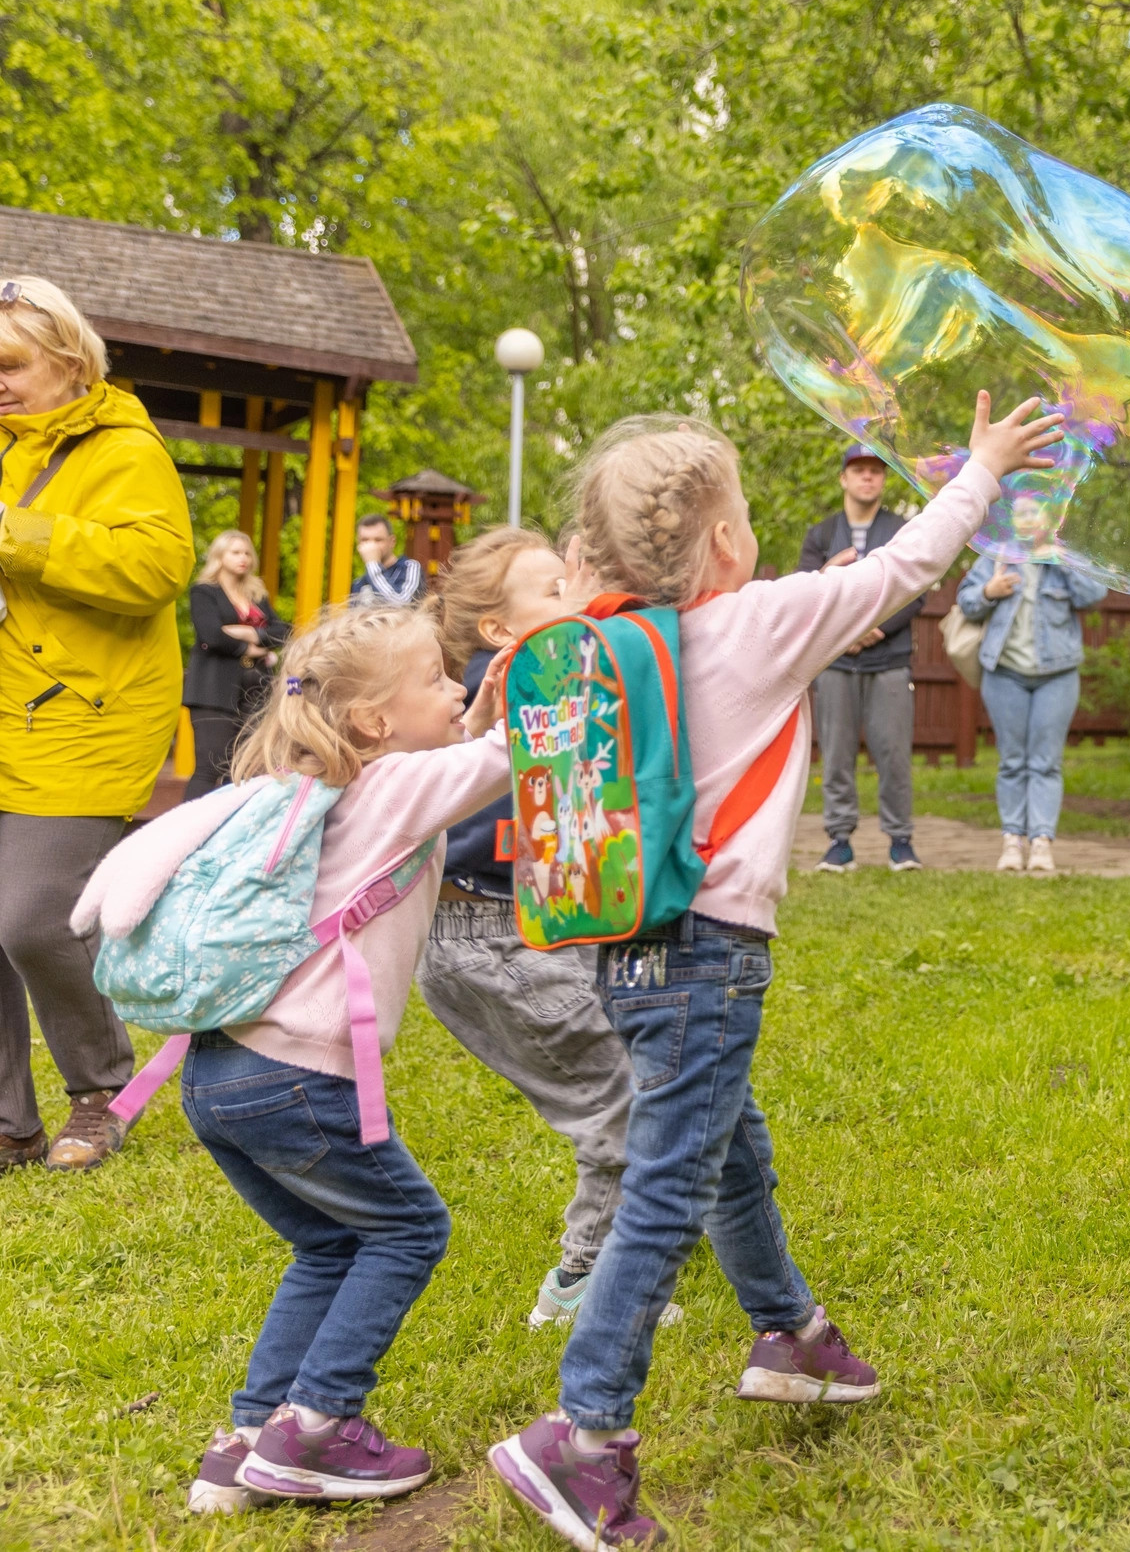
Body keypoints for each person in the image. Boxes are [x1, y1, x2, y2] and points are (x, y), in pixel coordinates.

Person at [487, 391, 1061, 1550]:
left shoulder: (602, 638)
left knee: (725, 1145)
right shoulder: (757, 621)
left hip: (627, 949)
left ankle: (790, 1337)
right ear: (724, 541)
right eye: (745, 513)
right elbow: (904, 565)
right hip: (710, 955)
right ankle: (582, 1434)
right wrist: (984, 467)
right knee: (668, 1187)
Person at [77, 604, 511, 1513]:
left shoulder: (306, 789)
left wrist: (467, 720)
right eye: (435, 678)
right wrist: (558, 693)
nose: (457, 687)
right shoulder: (392, 789)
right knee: (408, 1231)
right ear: (374, 722)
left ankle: (248, 1442)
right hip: (298, 1081)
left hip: (218, 1076)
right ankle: (317, 1426)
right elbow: (504, 761)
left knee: (328, 1244)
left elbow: (458, 757)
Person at [413, 526, 677, 1331]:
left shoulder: (557, 680)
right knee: (619, 1096)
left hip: (533, 927)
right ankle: (585, 1279)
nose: (577, 598)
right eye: (555, 590)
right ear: (500, 629)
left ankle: (641, 1229)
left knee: (644, 1072)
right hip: (484, 938)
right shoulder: (502, 691)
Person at [0, 274, 192, 1172]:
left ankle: (99, 1091)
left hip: (87, 716)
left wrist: (13, 533)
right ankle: (10, 1124)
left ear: (71, 361)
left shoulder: (125, 448)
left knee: (33, 916)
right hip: (9, 706)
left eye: (11, 364)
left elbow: (156, 568)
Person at [796, 442, 924, 872]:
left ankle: (900, 842)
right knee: (835, 755)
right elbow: (806, 590)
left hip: (889, 661)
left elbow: (915, 588)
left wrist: (877, 630)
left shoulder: (903, 531)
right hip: (835, 662)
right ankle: (839, 842)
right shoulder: (821, 535)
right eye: (859, 469)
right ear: (844, 478)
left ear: (884, 479)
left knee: (894, 755)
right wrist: (842, 634)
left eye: (876, 470)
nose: (868, 476)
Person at [955, 551, 1107, 873]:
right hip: (1004, 673)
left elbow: (1094, 594)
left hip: (1058, 674)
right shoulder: (997, 557)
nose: (1032, 526)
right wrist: (988, 592)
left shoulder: (1063, 558)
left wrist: (1063, 561)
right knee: (1012, 761)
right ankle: (1012, 840)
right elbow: (966, 601)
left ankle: (1041, 841)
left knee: (1046, 762)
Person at [183, 529, 288, 799]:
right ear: (220, 556)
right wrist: (250, 648)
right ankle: (189, 823)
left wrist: (247, 632)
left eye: (246, 553)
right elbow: (211, 635)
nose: (243, 558)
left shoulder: (256, 593)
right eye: (235, 552)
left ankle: (230, 822)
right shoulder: (204, 592)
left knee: (244, 767)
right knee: (210, 766)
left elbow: (284, 631)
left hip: (256, 688)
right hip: (213, 688)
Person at [347, 514, 423, 608]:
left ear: (392, 542)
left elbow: (401, 605)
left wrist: (372, 564)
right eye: (365, 540)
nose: (371, 546)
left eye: (378, 540)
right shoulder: (358, 583)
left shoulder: (410, 568)